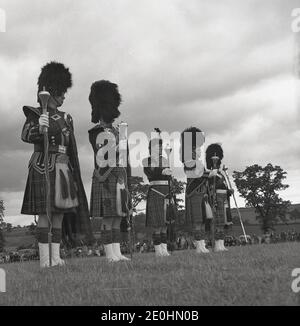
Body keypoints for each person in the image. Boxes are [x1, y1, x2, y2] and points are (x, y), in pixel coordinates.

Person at [21, 61, 92, 268]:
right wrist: (38, 129)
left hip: (63, 166)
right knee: (45, 213)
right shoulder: (34, 113)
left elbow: (71, 147)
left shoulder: (67, 117)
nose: (63, 96)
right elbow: (25, 136)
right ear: (49, 92)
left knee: (59, 214)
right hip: (43, 164)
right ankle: (45, 261)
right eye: (60, 92)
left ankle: (55, 256)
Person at [88, 80, 132, 262]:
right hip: (105, 175)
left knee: (117, 217)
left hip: (119, 175)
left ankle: (117, 252)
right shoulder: (96, 131)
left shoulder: (116, 130)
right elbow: (102, 154)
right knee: (108, 217)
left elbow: (125, 157)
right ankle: (109, 254)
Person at [142, 129, 176, 257]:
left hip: (166, 193)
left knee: (165, 224)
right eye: (158, 148)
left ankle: (164, 249)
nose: (160, 150)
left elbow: (170, 178)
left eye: (161, 148)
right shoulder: (147, 160)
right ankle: (158, 251)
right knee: (157, 224)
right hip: (156, 192)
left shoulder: (165, 160)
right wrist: (162, 171)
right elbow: (150, 172)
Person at [180, 127, 213, 254]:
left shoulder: (198, 162)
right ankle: (198, 246)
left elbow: (202, 173)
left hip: (202, 192)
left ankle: (202, 244)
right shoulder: (188, 161)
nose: (200, 151)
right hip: (194, 193)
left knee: (203, 220)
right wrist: (208, 174)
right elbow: (195, 175)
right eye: (198, 149)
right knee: (197, 221)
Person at [205, 143, 234, 252]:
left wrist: (229, 191)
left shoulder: (221, 174)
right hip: (216, 198)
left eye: (217, 161)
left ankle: (221, 244)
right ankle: (217, 245)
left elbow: (224, 187)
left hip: (224, 198)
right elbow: (210, 188)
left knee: (223, 222)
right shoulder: (210, 174)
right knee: (217, 222)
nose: (216, 163)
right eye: (214, 161)